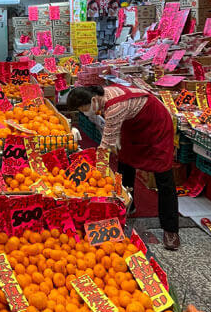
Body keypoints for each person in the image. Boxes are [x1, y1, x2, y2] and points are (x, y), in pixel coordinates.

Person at [67, 83, 180, 250]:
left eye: (83, 108)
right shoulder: (102, 98)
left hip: (156, 124)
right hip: (135, 124)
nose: (83, 112)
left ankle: (171, 230)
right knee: (125, 161)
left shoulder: (114, 107)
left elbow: (105, 146)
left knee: (163, 174)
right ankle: (127, 203)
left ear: (92, 99)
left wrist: (96, 175)